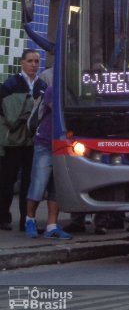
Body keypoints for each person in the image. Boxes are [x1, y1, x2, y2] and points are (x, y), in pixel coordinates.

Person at [0, 49, 47, 231]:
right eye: (30, 61)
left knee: (29, 181)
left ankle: (25, 220)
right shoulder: (11, 84)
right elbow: (8, 115)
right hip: (12, 142)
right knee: (7, 180)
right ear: (22, 62)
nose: (34, 64)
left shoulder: (41, 85)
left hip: (32, 142)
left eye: (36, 61)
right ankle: (3, 217)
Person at [24, 85, 71, 239]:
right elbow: (59, 111)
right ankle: (29, 219)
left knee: (55, 187)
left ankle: (51, 226)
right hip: (45, 143)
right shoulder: (53, 89)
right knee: (38, 185)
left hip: (62, 144)